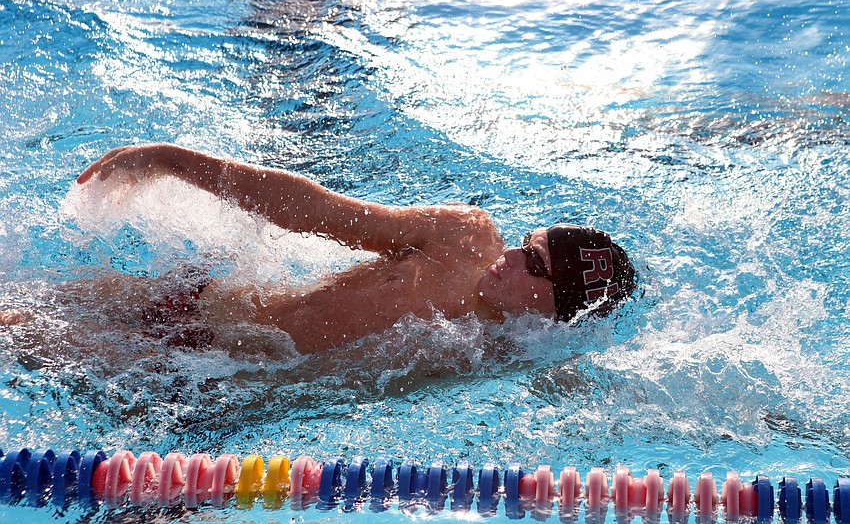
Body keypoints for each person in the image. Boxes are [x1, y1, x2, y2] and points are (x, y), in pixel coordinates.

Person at [75, 143, 636, 354]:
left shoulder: (498, 357)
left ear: (555, 309)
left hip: (208, 376)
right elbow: (315, 211)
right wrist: (177, 162)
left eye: (533, 264)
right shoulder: (462, 236)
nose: (512, 255)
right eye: (524, 244)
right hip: (212, 307)